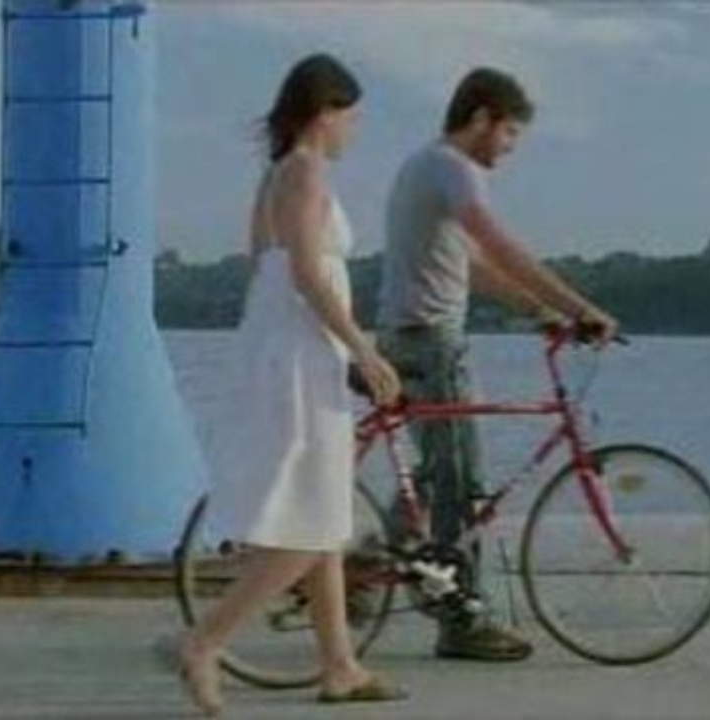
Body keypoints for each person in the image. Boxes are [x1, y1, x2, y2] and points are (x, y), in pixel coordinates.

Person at [172, 54, 406, 716]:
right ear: (324, 112)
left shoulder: (276, 173)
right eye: (350, 116)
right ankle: (205, 641)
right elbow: (305, 271)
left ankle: (340, 666)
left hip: (289, 351)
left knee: (323, 516)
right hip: (303, 358)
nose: (354, 129)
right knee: (310, 526)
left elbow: (266, 266)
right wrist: (362, 346)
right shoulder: (304, 171)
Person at [377, 67, 619, 662]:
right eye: (509, 132)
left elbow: (472, 268)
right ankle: (464, 622)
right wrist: (581, 308)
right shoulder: (454, 168)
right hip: (433, 342)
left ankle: (370, 562)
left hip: (403, 337)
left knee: (434, 473)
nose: (510, 149)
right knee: (461, 485)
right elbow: (501, 246)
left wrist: (538, 310)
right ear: (481, 117)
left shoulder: (422, 164)